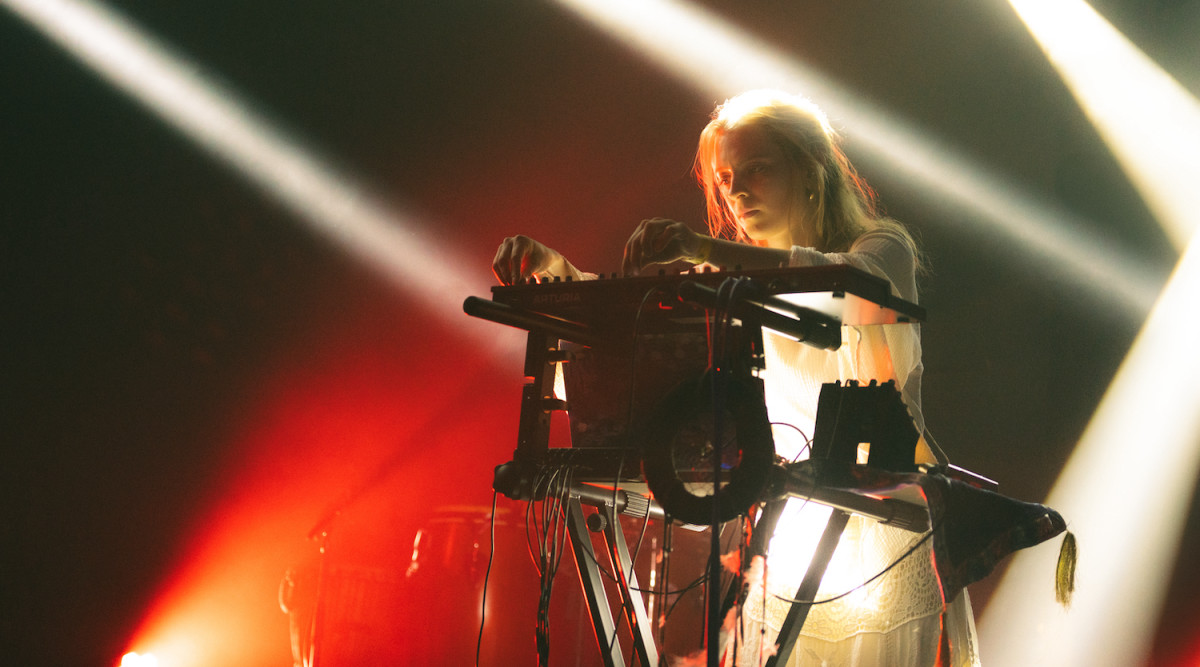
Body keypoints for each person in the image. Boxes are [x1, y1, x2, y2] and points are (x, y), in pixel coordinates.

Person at [492, 89, 980, 667]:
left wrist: (705, 248)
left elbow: (849, 285)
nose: (736, 191)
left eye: (757, 169)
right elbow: (639, 357)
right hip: (791, 536)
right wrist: (560, 276)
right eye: (725, 179)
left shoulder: (882, 247)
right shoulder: (725, 285)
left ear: (810, 170)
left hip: (885, 538)